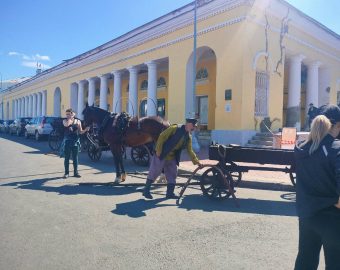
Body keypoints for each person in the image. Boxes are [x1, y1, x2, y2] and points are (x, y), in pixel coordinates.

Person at [294, 105, 340, 270]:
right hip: (332, 217)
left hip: (307, 214)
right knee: (335, 264)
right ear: (337, 125)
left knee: (305, 260)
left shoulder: (301, 147)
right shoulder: (336, 148)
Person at [143, 118, 203, 199]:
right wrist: (158, 150)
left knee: (172, 173)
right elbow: (162, 136)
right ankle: (146, 191)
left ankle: (170, 193)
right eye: (193, 126)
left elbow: (190, 150)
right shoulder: (175, 128)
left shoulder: (188, 137)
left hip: (172, 156)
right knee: (155, 171)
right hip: (162, 153)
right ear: (188, 124)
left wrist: (196, 161)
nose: (194, 128)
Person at [62, 108, 89, 178]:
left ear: (72, 114)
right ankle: (66, 173)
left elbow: (80, 132)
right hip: (67, 141)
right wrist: (71, 118)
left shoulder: (78, 121)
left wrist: (85, 129)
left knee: (75, 158)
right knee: (67, 158)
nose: (67, 115)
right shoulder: (65, 120)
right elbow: (67, 125)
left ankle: (76, 173)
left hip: (75, 141)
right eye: (66, 114)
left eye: (69, 114)